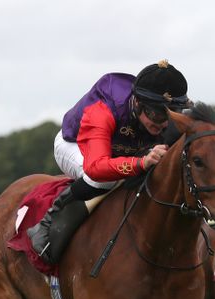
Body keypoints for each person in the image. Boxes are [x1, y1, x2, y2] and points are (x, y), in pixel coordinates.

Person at [27, 60, 190, 264]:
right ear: (137, 103)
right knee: (107, 180)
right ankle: (47, 221)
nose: (163, 124)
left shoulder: (164, 119)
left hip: (127, 150)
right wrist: (140, 163)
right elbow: (96, 168)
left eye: (171, 114)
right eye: (156, 114)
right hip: (76, 145)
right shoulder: (102, 110)